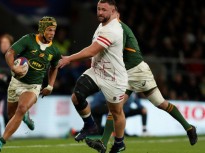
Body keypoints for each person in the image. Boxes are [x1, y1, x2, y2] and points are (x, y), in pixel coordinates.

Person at [85, 11, 198, 153]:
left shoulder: (120, 29)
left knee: (160, 103)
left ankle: (189, 127)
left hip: (138, 72)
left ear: (117, 16)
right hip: (125, 76)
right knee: (114, 109)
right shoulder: (111, 30)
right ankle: (104, 142)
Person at [58, 0, 128, 152]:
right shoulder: (104, 23)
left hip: (113, 78)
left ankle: (119, 143)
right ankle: (90, 125)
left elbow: (91, 51)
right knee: (76, 97)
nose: (100, 12)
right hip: (96, 71)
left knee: (116, 112)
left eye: (104, 10)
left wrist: (68, 58)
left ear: (112, 11)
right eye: (98, 9)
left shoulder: (112, 29)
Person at [0, 16, 61, 153]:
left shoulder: (54, 51)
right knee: (11, 114)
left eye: (54, 30)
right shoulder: (28, 39)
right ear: (42, 30)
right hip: (16, 82)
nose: (52, 33)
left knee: (22, 107)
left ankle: (0, 141)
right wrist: (13, 67)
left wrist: (50, 86)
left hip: (33, 86)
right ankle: (25, 116)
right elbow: (10, 53)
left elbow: (54, 68)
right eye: (49, 30)